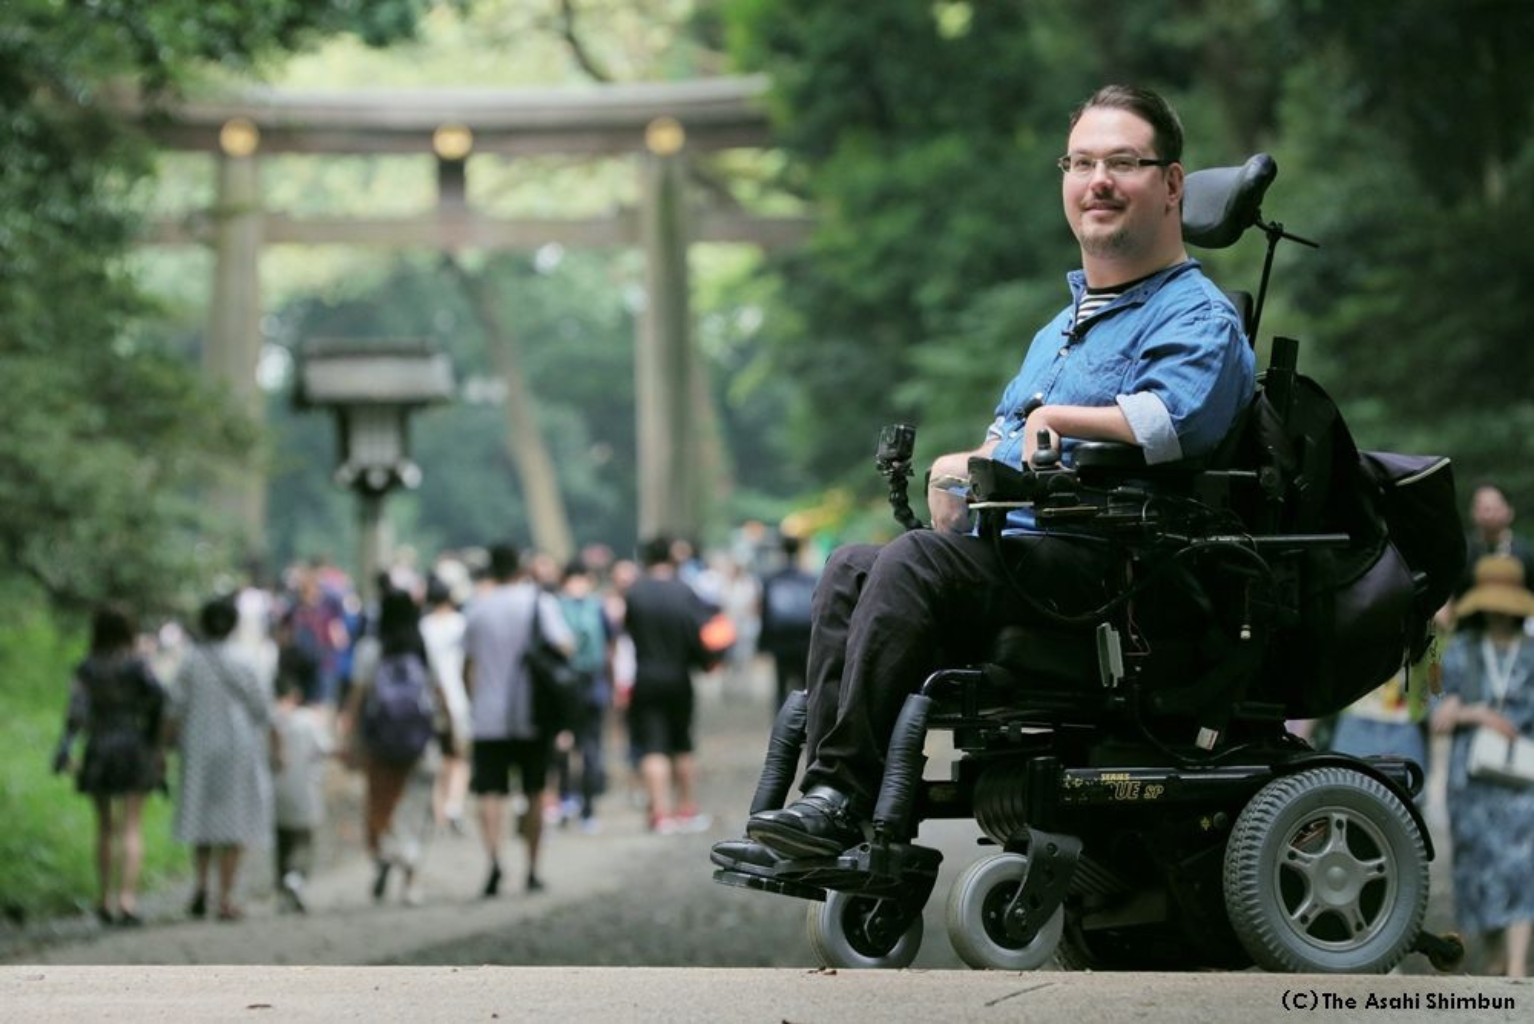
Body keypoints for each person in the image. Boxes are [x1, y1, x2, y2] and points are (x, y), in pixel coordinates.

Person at [728, 85, 1255, 863]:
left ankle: (840, 795)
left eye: (1123, 163)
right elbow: (1005, 433)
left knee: (911, 563)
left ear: (1172, 184)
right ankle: (830, 804)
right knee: (849, 567)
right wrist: (967, 476)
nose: (1098, 181)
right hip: (1031, 559)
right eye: (1081, 163)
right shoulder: (1059, 329)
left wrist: (1061, 423)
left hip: (1125, 575)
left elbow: (1172, 421)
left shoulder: (1196, 313)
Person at [1430, 553, 1533, 977]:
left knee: (1521, 864)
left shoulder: (1531, 654)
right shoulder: (1460, 653)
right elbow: (1438, 713)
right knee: (1477, 864)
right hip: (1470, 777)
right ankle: (1495, 957)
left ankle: (1516, 963)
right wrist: (1477, 714)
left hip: (1521, 772)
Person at [462, 543, 575, 896]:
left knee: (490, 792)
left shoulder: (478, 607)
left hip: (488, 715)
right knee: (536, 789)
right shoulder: (539, 602)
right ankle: (532, 867)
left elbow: (469, 665)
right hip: (533, 713)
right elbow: (565, 646)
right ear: (521, 568)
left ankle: (494, 859)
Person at [51, 604, 167, 926]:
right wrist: (154, 739)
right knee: (131, 826)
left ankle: (104, 897)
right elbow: (159, 697)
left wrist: (64, 748)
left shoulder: (86, 668)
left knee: (104, 828)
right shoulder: (137, 664)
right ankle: (127, 899)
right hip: (134, 745)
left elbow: (76, 714)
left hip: (99, 747)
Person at [168, 594, 276, 921]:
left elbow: (173, 707)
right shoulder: (246, 660)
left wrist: (164, 745)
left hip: (198, 746)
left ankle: (200, 887)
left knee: (201, 816)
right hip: (239, 748)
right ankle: (226, 897)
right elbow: (262, 708)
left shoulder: (190, 660)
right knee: (235, 820)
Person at [341, 587, 445, 906]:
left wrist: (349, 739)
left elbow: (356, 701)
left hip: (381, 740)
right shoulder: (422, 647)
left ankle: (385, 853)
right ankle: (411, 878)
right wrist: (450, 728)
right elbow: (439, 692)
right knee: (415, 806)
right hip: (418, 739)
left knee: (381, 804)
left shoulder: (370, 649)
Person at [624, 535, 717, 833]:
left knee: (653, 747)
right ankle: (686, 809)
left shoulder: (635, 593)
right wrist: (706, 662)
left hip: (646, 677)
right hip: (679, 677)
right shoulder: (684, 591)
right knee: (682, 744)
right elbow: (703, 630)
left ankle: (660, 814)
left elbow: (627, 633)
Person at [554, 559, 615, 833]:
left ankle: (566, 798)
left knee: (563, 743)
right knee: (591, 748)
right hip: (593, 686)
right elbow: (610, 646)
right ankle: (588, 810)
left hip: (563, 689)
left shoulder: (555, 607)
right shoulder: (598, 606)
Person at [270, 670, 333, 912]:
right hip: (306, 793)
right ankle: (296, 878)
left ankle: (281, 886)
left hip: (277, 795)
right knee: (304, 841)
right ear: (295, 695)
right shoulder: (308, 720)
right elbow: (326, 747)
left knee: (282, 843)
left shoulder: (271, 720)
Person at [419, 575, 471, 834]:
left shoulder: (423, 626)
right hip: (457, 696)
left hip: (429, 700)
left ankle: (437, 807)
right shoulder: (461, 624)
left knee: (437, 756)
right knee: (459, 756)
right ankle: (454, 805)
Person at [757, 533, 818, 714]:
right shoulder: (809, 579)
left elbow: (765, 614)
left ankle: (782, 725)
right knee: (805, 684)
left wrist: (762, 644)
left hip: (780, 641)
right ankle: (805, 723)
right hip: (804, 639)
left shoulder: (772, 579)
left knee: (781, 685)